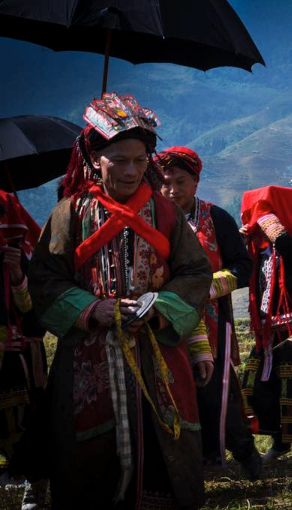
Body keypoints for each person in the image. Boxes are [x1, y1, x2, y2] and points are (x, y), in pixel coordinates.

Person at [26, 93, 212, 509]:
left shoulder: (166, 214)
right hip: (89, 355)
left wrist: (159, 307)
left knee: (163, 445)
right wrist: (93, 309)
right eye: (119, 160)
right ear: (95, 159)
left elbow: (196, 273)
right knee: (89, 454)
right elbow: (44, 278)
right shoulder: (69, 214)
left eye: (140, 160)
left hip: (156, 350)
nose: (131, 170)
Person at [157, 147, 261, 479]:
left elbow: (243, 267)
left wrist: (207, 287)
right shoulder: (154, 221)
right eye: (166, 182)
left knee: (216, 394)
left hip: (214, 321)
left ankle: (243, 453)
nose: (173, 190)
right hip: (166, 322)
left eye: (181, 181)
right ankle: (194, 460)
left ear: (197, 181)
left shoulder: (216, 219)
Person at [239, 194, 292, 463]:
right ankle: (279, 442)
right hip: (268, 330)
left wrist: (265, 215)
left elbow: (286, 245)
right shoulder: (258, 252)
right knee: (255, 385)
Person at [0, 191, 47, 507]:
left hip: (16, 351)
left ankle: (35, 481)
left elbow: (33, 313)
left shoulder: (20, 244)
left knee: (27, 421)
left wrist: (16, 275)